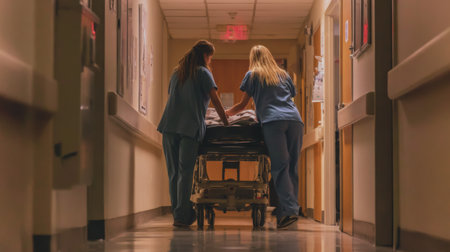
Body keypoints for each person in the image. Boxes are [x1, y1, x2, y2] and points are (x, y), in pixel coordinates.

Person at [226, 45, 304, 229]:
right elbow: (291, 96)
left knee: (280, 167)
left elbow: (242, 104)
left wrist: (225, 114)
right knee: (292, 167)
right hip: (295, 120)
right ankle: (289, 211)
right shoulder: (283, 74)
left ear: (253, 58)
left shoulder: (253, 75)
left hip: (273, 121)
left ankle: (290, 210)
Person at [158, 40, 228, 228]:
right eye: (210, 57)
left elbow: (172, 98)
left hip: (168, 127)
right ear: (206, 56)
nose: (210, 61)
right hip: (189, 128)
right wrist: (225, 122)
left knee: (173, 173)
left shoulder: (176, 72)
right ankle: (182, 215)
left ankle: (179, 215)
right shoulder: (204, 73)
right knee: (185, 173)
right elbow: (216, 100)